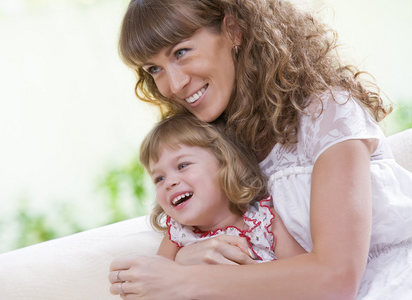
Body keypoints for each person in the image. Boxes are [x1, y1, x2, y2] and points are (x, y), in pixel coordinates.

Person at [109, 0, 412, 299]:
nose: (173, 85)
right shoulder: (210, 153)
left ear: (233, 30)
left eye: (182, 52)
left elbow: (337, 278)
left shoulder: (327, 114)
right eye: (154, 69)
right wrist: (186, 260)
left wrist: (185, 279)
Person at [139, 114, 305, 263]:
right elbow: (157, 283)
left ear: (227, 165)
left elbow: (305, 276)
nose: (169, 183)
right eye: (159, 178)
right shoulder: (178, 235)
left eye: (183, 165)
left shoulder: (265, 224)